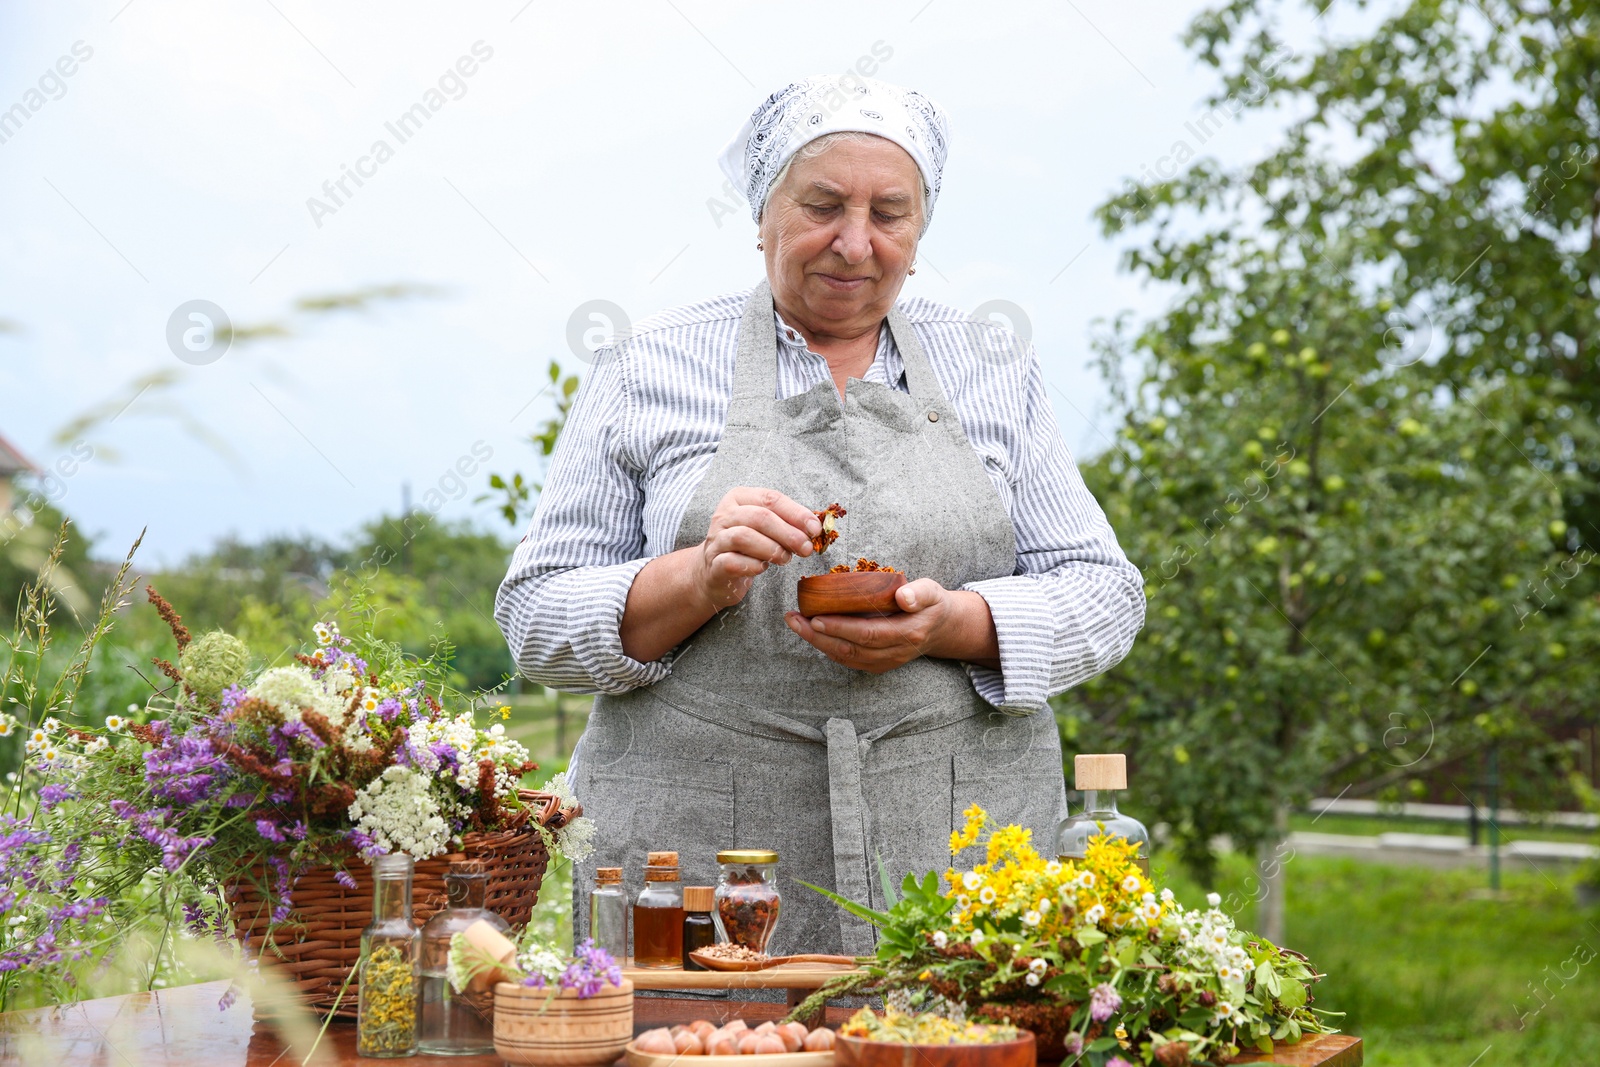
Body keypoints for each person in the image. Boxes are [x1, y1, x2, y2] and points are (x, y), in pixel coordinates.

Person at [496, 75, 1144, 956]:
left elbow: (1107, 594)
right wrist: (696, 577)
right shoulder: (647, 364)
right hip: (695, 848)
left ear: (921, 229)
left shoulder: (993, 365)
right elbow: (534, 617)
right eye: (822, 205)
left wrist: (957, 622)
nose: (855, 242)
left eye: (890, 212)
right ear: (762, 213)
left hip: (960, 848)